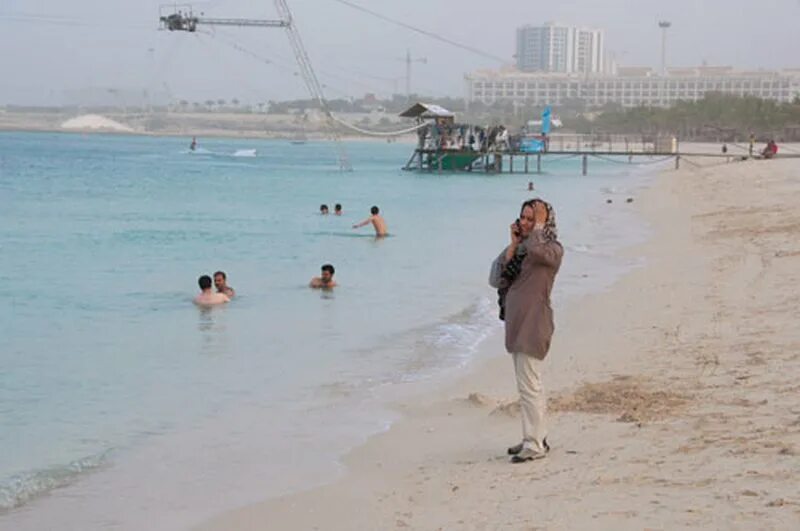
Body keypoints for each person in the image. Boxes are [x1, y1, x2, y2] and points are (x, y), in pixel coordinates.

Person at [489, 198, 563, 463]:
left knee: (530, 385)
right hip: (517, 324)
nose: (526, 223)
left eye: (532, 218)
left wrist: (538, 229)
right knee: (528, 384)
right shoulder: (520, 250)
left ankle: (534, 444)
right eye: (523, 217)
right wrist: (512, 244)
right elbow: (495, 278)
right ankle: (535, 436)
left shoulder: (552, 249)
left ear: (544, 221)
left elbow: (539, 252)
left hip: (534, 323)